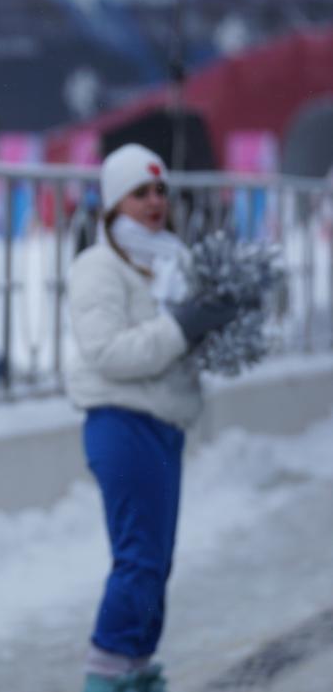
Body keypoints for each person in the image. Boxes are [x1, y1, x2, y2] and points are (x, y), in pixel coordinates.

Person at [66, 144, 239, 692]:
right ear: (115, 204)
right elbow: (106, 353)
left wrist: (220, 324)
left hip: (164, 423)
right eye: (140, 191)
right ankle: (106, 670)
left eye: (161, 190)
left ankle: (136, 669)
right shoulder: (98, 266)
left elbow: (175, 346)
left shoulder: (171, 262)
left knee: (157, 562)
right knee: (138, 559)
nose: (155, 200)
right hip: (120, 424)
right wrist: (181, 327)